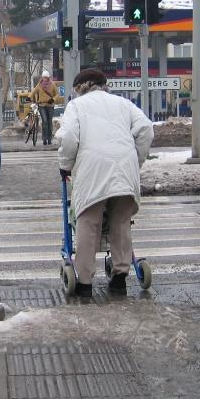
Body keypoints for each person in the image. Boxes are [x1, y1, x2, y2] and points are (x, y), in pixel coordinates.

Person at [58, 67, 154, 296]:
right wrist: (136, 158)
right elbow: (146, 129)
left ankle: (84, 282)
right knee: (121, 221)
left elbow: (69, 137)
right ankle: (120, 276)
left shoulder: (77, 106)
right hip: (124, 165)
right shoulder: (123, 104)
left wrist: (65, 164)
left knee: (88, 222)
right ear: (103, 85)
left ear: (80, 88)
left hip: (93, 168)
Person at [30, 70, 63, 145]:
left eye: (46, 77)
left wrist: (53, 99)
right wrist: (29, 97)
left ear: (48, 77)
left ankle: (49, 139)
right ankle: (44, 138)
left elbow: (57, 94)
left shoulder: (52, 84)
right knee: (45, 121)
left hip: (50, 105)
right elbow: (33, 91)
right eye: (43, 77)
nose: (44, 79)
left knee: (49, 121)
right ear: (42, 77)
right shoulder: (39, 85)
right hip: (42, 105)